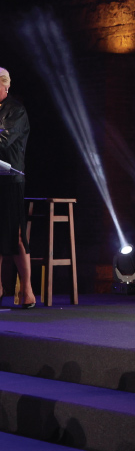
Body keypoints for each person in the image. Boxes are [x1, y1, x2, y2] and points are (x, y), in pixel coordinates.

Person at [0, 67, 34, 308]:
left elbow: (4, 140)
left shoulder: (16, 110)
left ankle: (27, 290)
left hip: (11, 179)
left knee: (16, 235)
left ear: (5, 86)